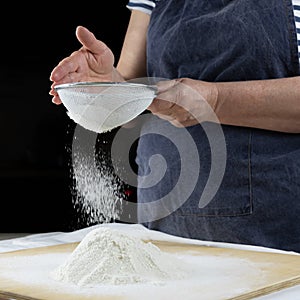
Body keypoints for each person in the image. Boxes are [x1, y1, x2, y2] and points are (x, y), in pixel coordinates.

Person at [50, 0, 300, 253]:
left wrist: (214, 100)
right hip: (160, 228)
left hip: (274, 231)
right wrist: (108, 85)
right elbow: (131, 104)